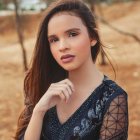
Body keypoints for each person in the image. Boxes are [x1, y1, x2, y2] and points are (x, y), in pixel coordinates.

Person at [13, 0, 129, 140]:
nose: (62, 46)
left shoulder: (113, 98)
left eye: (72, 34)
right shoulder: (44, 86)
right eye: (54, 39)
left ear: (93, 37)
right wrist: (39, 111)